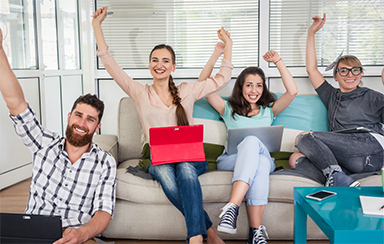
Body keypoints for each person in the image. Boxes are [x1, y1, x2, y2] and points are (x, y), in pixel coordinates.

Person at [92, 6, 233, 244]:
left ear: (173, 67)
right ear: (149, 66)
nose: (160, 64)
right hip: (157, 156)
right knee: (167, 176)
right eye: (155, 60)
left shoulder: (187, 90)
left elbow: (222, 79)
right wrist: (97, 26)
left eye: (166, 61)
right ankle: (208, 231)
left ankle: (195, 238)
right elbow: (111, 66)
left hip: (189, 154)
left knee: (186, 170)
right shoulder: (139, 92)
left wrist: (227, 45)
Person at [0, 28, 117, 244]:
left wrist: (81, 234)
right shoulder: (43, 143)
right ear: (68, 117)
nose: (82, 124)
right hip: (33, 231)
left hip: (77, 235)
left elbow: (104, 212)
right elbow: (16, 104)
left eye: (90, 120)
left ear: (97, 127)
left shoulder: (105, 162)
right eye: (78, 115)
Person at [198, 46, 297, 244]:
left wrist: (278, 61)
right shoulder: (227, 108)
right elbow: (202, 84)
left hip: (263, 160)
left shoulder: (269, 110)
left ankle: (234, 211)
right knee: (253, 147)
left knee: (259, 158)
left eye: (259, 85)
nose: (254, 90)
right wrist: (216, 55)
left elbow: (292, 91)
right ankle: (254, 231)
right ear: (241, 87)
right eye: (249, 85)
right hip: (231, 160)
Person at [288, 14, 384, 187]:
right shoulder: (331, 95)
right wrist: (311, 33)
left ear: (361, 74)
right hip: (349, 160)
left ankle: (334, 175)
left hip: (370, 147)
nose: (350, 75)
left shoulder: (374, 97)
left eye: (356, 70)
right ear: (335, 76)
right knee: (296, 158)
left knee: (303, 138)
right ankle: (338, 176)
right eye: (344, 71)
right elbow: (312, 69)